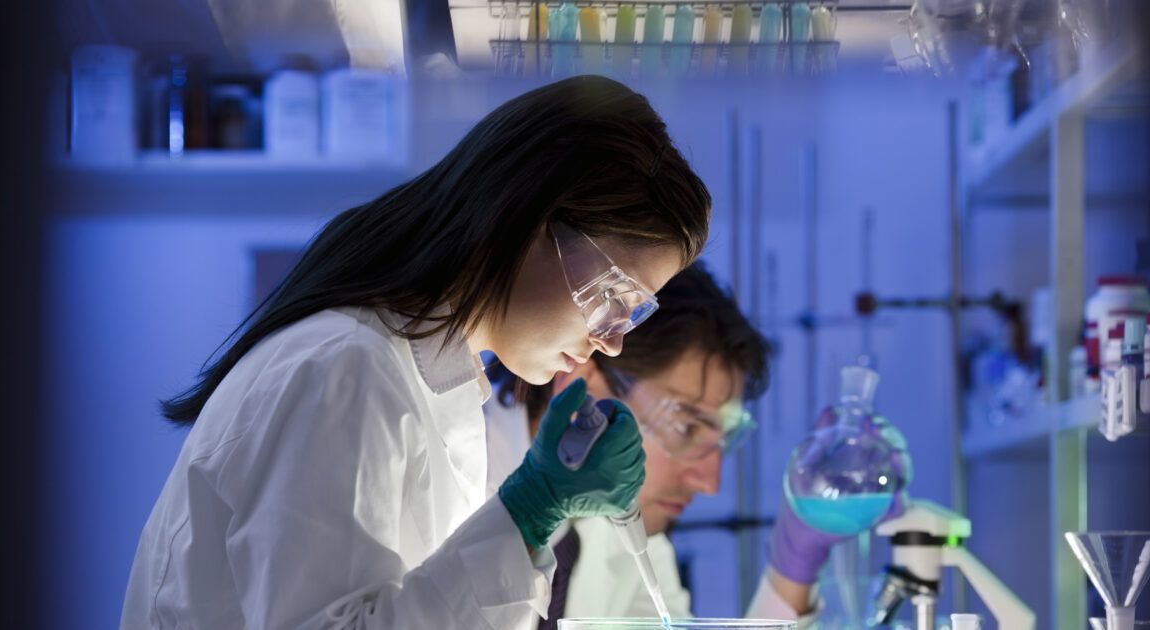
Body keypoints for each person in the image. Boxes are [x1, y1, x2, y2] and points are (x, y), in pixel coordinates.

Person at [121, 75, 712, 629]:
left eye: (634, 310)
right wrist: (532, 510)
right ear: (531, 218)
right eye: (613, 293)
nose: (612, 339)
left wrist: (532, 517)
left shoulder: (429, 383)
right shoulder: (344, 368)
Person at [487, 262, 911, 627]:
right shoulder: (447, 476)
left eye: (722, 444)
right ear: (581, 386)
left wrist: (792, 564)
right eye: (688, 427)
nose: (709, 484)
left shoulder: (631, 544)